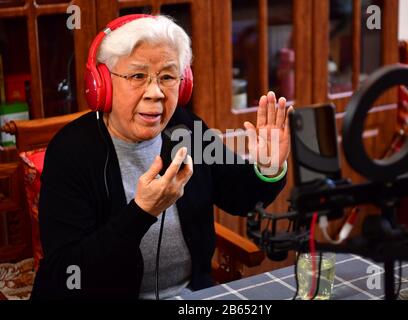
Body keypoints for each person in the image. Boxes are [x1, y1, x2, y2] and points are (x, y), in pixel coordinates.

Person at [31, 14, 292, 300]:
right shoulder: (70, 152)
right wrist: (141, 212)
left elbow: (239, 196)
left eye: (167, 77)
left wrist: (268, 167)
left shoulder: (186, 128)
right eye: (137, 76)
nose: (155, 93)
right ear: (101, 84)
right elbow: (68, 274)